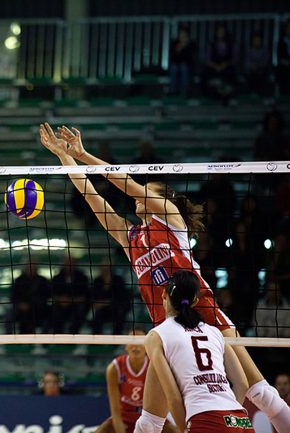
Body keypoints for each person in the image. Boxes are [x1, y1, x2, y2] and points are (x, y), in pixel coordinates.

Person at [40, 123, 290, 433]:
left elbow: (128, 184)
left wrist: (84, 154)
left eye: (150, 190)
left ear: (163, 199)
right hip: (167, 330)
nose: (141, 195)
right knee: (150, 420)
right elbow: (93, 198)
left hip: (208, 315)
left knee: (260, 393)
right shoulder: (131, 238)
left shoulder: (171, 219)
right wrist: (65, 158)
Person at [144, 270, 252, 432]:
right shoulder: (214, 332)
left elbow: (173, 397)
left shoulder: (157, 335)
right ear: (195, 301)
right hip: (240, 420)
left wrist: (185, 428)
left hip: (204, 418)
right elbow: (242, 384)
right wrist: (227, 415)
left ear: (164, 295)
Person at [96, 330, 176, 433]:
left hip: (149, 415)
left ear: (147, 345)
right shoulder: (115, 368)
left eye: (139, 342)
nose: (136, 347)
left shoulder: (155, 366)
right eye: (132, 342)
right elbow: (115, 411)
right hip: (124, 416)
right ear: (126, 346)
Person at [7, 261, 50, 334]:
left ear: (36, 268)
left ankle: (45, 342)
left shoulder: (43, 280)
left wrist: (31, 304)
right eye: (29, 267)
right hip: (20, 308)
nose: (31, 269)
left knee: (48, 314)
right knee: (9, 317)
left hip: (38, 308)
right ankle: (9, 340)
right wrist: (20, 304)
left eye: (33, 267)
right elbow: (13, 297)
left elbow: (46, 296)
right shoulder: (18, 280)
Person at [50, 256, 89, 334]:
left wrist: (70, 300)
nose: (69, 265)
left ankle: (73, 337)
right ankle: (57, 336)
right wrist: (61, 300)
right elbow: (52, 295)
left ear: (76, 264)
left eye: (72, 263)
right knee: (54, 311)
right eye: (67, 263)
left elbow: (84, 297)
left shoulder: (82, 278)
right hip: (60, 305)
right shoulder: (57, 278)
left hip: (75, 306)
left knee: (80, 311)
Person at [202, 23, 237, 100]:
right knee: (207, 75)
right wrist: (216, 66)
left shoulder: (231, 44)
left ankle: (226, 92)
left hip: (227, 67)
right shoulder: (211, 44)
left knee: (230, 73)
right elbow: (207, 60)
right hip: (213, 67)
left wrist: (225, 64)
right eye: (219, 31)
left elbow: (234, 59)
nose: (221, 33)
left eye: (222, 31)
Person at [168, 25, 195, 96]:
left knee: (184, 67)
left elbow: (190, 58)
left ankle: (185, 90)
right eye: (181, 33)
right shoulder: (175, 43)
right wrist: (180, 46)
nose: (182, 35)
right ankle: (173, 90)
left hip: (187, 65)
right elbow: (173, 57)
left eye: (184, 33)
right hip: (176, 64)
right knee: (174, 68)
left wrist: (185, 45)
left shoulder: (191, 44)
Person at [276, 19, 290, 94]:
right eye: (288, 28)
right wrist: (286, 62)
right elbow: (279, 56)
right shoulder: (281, 42)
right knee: (281, 70)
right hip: (285, 64)